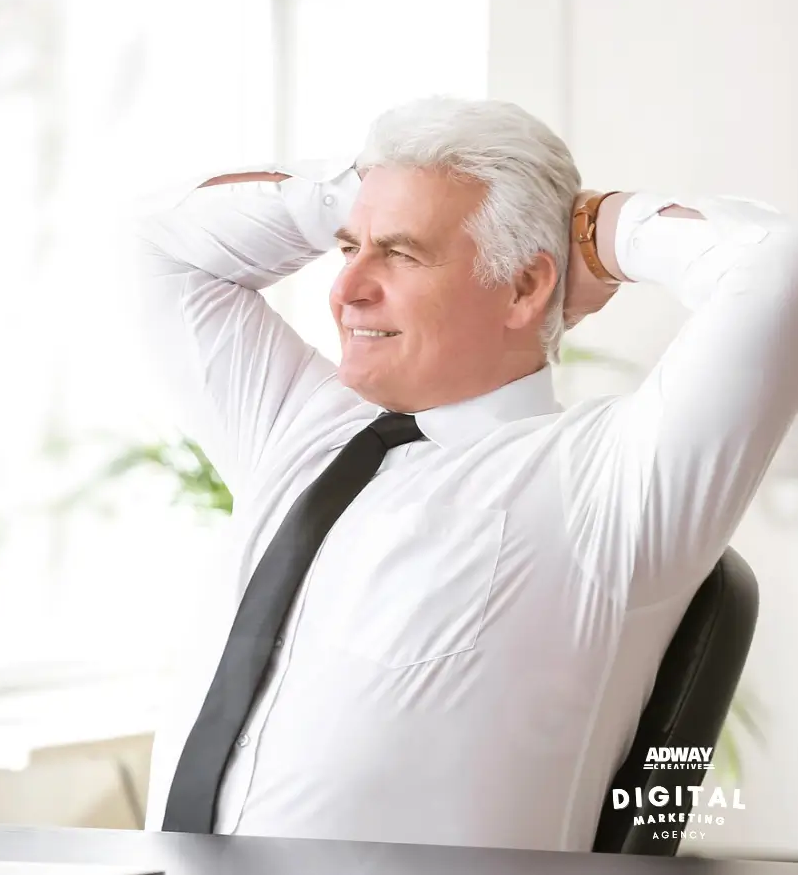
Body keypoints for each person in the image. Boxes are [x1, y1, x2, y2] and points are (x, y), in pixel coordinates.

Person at [125, 95, 798, 852]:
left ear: (524, 287)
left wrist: (591, 229)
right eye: (348, 249)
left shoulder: (610, 484)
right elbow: (163, 241)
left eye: (401, 254)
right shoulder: (297, 427)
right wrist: (363, 189)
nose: (345, 290)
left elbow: (777, 263)